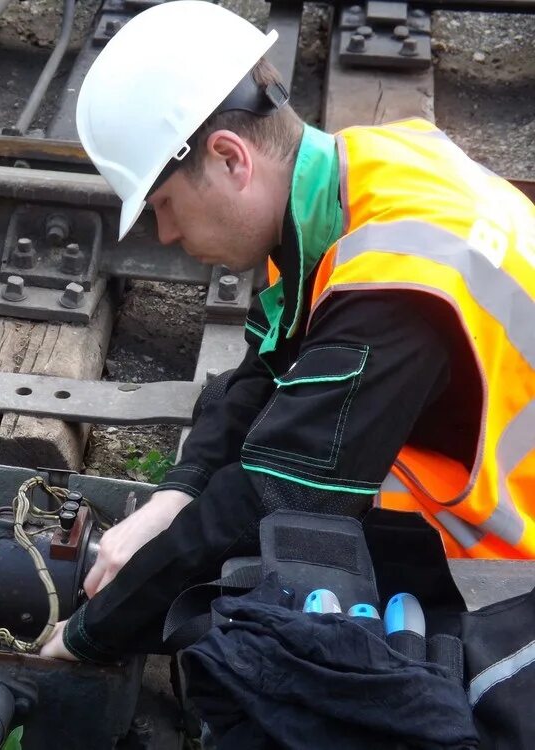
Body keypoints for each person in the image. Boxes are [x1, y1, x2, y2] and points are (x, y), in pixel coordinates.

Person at [40, 0, 535, 662]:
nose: (167, 235)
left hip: (505, 568)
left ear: (229, 159)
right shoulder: (360, 172)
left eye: (164, 206)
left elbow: (271, 494)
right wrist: (175, 496)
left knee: (266, 584)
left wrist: (86, 638)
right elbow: (265, 371)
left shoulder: (400, 281)